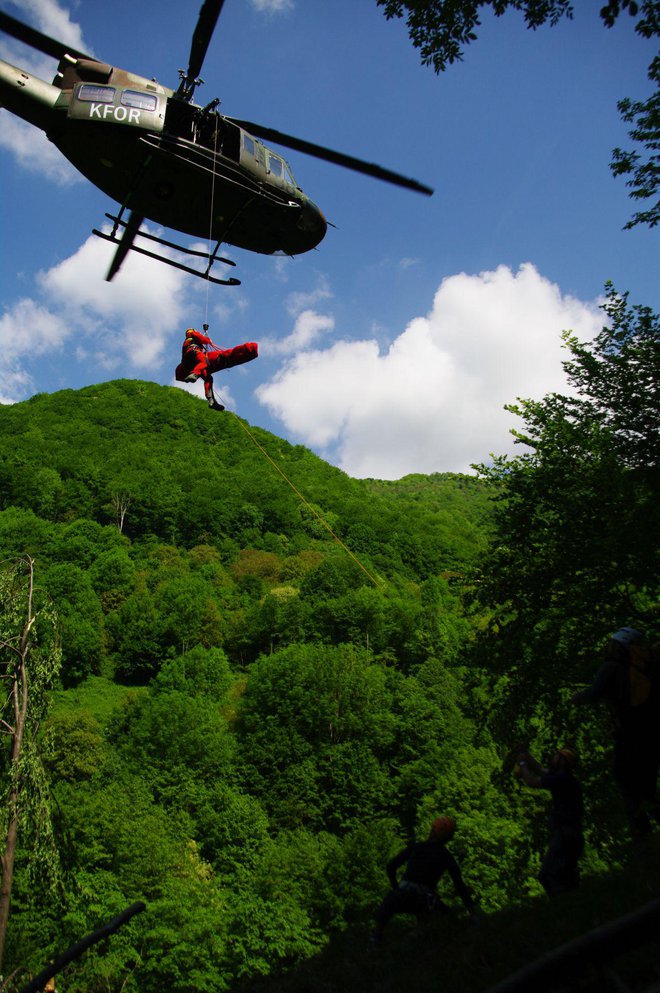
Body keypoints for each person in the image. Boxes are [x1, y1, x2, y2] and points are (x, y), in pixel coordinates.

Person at [572, 627, 660, 839]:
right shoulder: (648, 666)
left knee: (625, 780)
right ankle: (648, 832)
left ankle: (642, 837)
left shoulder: (611, 667)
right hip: (653, 733)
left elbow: (594, 694)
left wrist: (577, 698)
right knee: (647, 787)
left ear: (618, 645)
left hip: (628, 734)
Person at [369, 816, 478, 946]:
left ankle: (376, 936)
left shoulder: (417, 847)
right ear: (448, 836)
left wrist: (396, 887)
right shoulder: (445, 855)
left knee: (387, 907)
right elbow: (459, 885)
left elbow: (391, 866)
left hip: (402, 894)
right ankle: (417, 937)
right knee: (446, 917)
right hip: (425, 899)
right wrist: (472, 912)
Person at [516, 746, 584, 896]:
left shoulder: (561, 779)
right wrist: (527, 757)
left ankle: (563, 904)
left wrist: (522, 764)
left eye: (556, 756)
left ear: (562, 761)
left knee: (547, 875)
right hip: (574, 834)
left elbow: (532, 781)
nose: (553, 757)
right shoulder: (566, 778)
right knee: (567, 876)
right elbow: (540, 769)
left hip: (565, 835)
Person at [174, 326, 258, 411]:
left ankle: (211, 400)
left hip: (189, 360)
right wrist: (208, 340)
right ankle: (195, 374)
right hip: (193, 353)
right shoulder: (192, 334)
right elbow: (203, 339)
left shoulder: (188, 341)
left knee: (208, 378)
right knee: (205, 361)